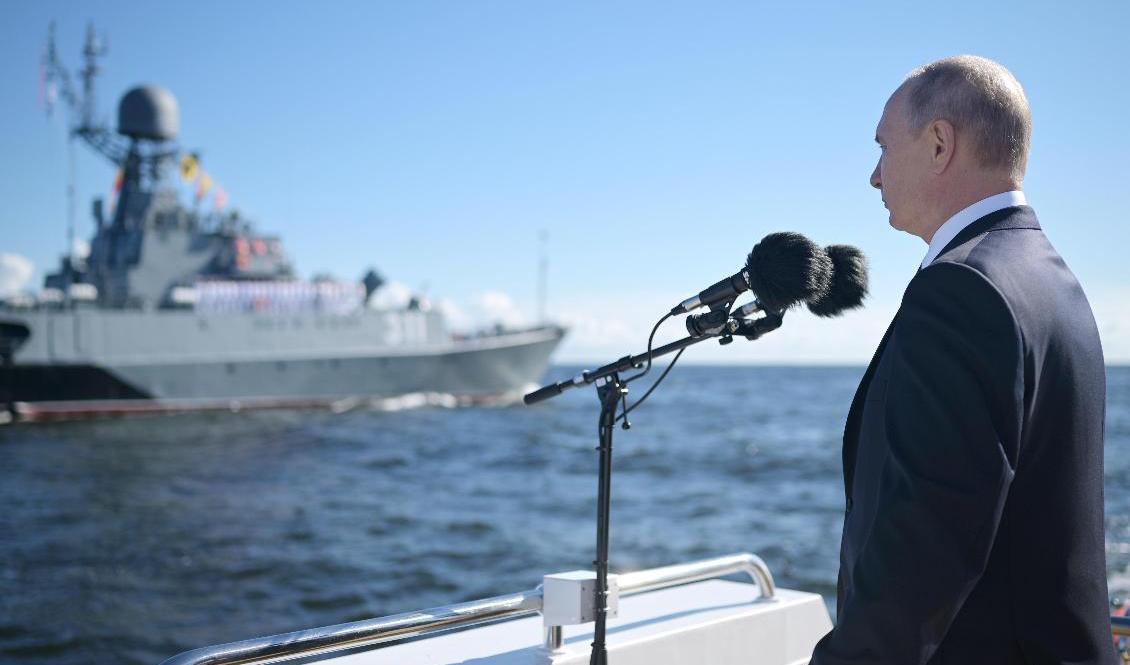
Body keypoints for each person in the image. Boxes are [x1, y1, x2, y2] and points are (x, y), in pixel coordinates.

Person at [809, 55, 1116, 664]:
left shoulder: (962, 288)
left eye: (883, 148)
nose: (874, 176)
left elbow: (925, 543)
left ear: (939, 144)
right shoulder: (1051, 278)